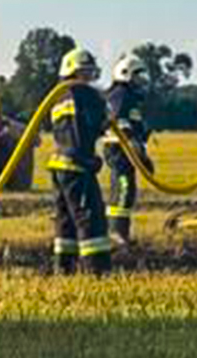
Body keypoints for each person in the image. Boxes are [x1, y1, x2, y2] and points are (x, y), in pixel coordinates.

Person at [47, 48, 113, 275]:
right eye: (85, 72)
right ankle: (98, 272)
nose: (89, 78)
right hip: (78, 165)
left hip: (59, 166)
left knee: (65, 223)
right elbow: (97, 122)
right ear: (73, 72)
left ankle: (64, 269)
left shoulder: (57, 96)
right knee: (90, 219)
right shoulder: (85, 94)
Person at [99, 52, 152, 249]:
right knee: (123, 187)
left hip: (126, 150)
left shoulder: (128, 97)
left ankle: (120, 233)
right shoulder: (120, 96)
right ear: (125, 74)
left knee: (126, 189)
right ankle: (116, 233)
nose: (141, 81)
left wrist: (142, 154)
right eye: (137, 76)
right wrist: (137, 150)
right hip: (119, 149)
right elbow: (121, 124)